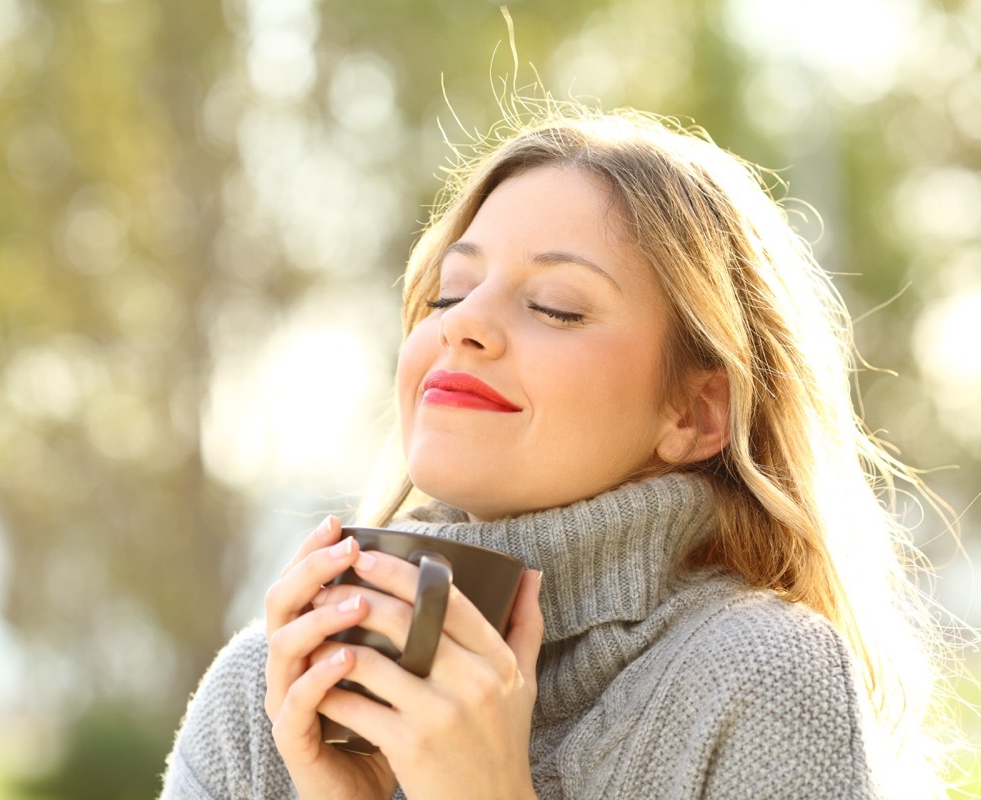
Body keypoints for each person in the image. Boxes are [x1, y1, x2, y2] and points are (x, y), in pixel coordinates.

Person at [159, 105, 956, 799]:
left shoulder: (764, 680)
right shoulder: (268, 694)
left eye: (556, 307)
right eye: (449, 293)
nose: (461, 325)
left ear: (695, 411)